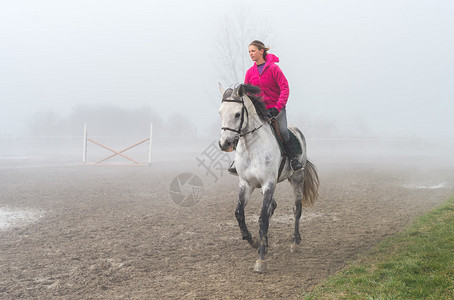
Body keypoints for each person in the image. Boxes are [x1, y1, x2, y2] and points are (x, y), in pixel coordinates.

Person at [228, 40, 303, 175]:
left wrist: (277, 108)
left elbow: (285, 88)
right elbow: (248, 94)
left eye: (253, 51)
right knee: (242, 130)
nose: (251, 54)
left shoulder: (274, 68)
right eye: (249, 52)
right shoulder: (250, 72)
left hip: (276, 110)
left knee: (284, 132)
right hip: (258, 112)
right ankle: (237, 162)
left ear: (261, 51)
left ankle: (294, 159)